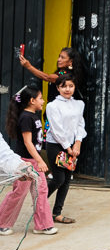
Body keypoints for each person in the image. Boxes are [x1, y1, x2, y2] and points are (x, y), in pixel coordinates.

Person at [0, 87, 57, 236]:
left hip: (34, 161)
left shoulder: (34, 116)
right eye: (40, 98)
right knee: (18, 193)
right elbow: (28, 143)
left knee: (41, 191)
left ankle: (43, 225)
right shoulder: (25, 117)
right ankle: (2, 223)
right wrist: (40, 161)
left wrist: (38, 161)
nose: (43, 101)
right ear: (32, 101)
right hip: (25, 162)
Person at [44, 73, 86, 224]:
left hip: (72, 145)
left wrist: (78, 143)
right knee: (58, 178)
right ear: (58, 88)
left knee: (67, 179)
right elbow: (56, 130)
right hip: (55, 144)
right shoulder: (52, 106)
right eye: (64, 86)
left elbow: (80, 124)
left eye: (71, 86)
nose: (67, 89)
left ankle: (57, 213)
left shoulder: (79, 104)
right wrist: (68, 148)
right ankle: (39, 202)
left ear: (75, 87)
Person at [19, 46, 85, 102]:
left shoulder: (67, 75)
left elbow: (47, 77)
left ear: (70, 62)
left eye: (62, 58)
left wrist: (29, 66)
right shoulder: (61, 72)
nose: (58, 60)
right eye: (59, 57)